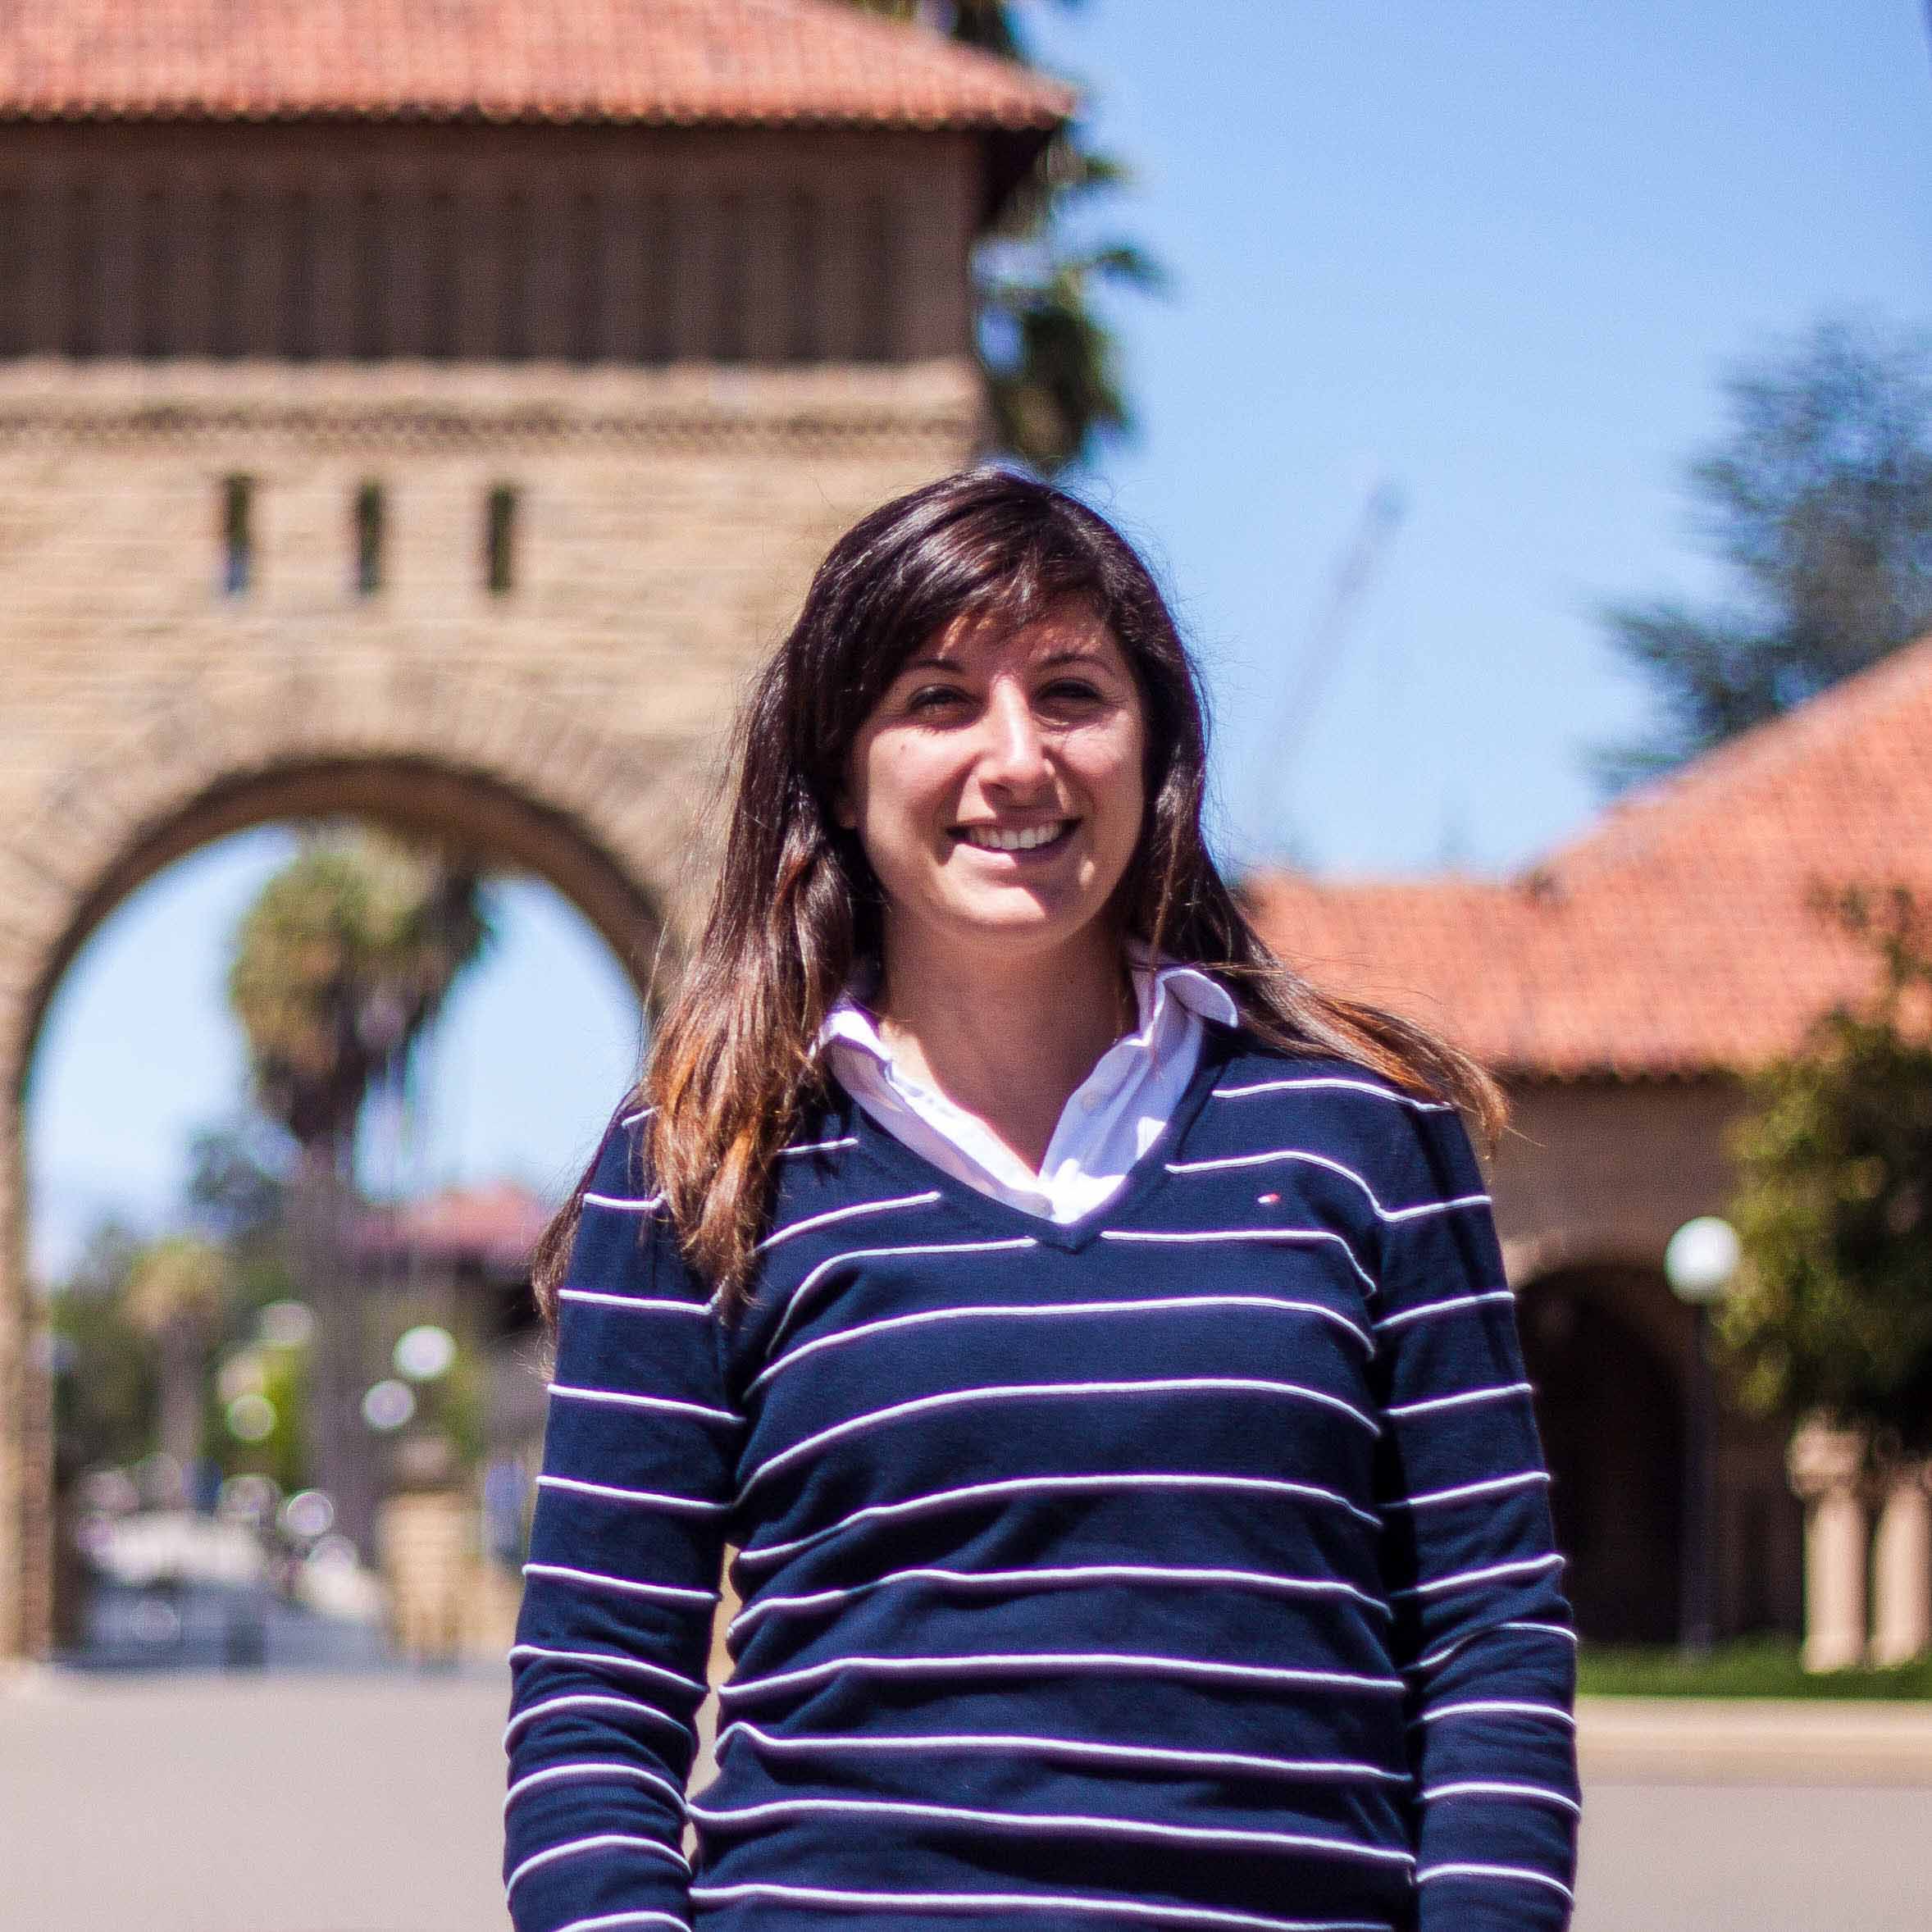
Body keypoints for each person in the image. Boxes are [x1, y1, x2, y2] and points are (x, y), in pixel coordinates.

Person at [502, 467, 1580, 1932]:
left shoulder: (1366, 1138)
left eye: (1072, 694)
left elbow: (1491, 1639)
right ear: (841, 773)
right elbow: (593, 1701)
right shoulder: (700, 1165)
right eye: (938, 701)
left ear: (1157, 746)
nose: (1017, 759)